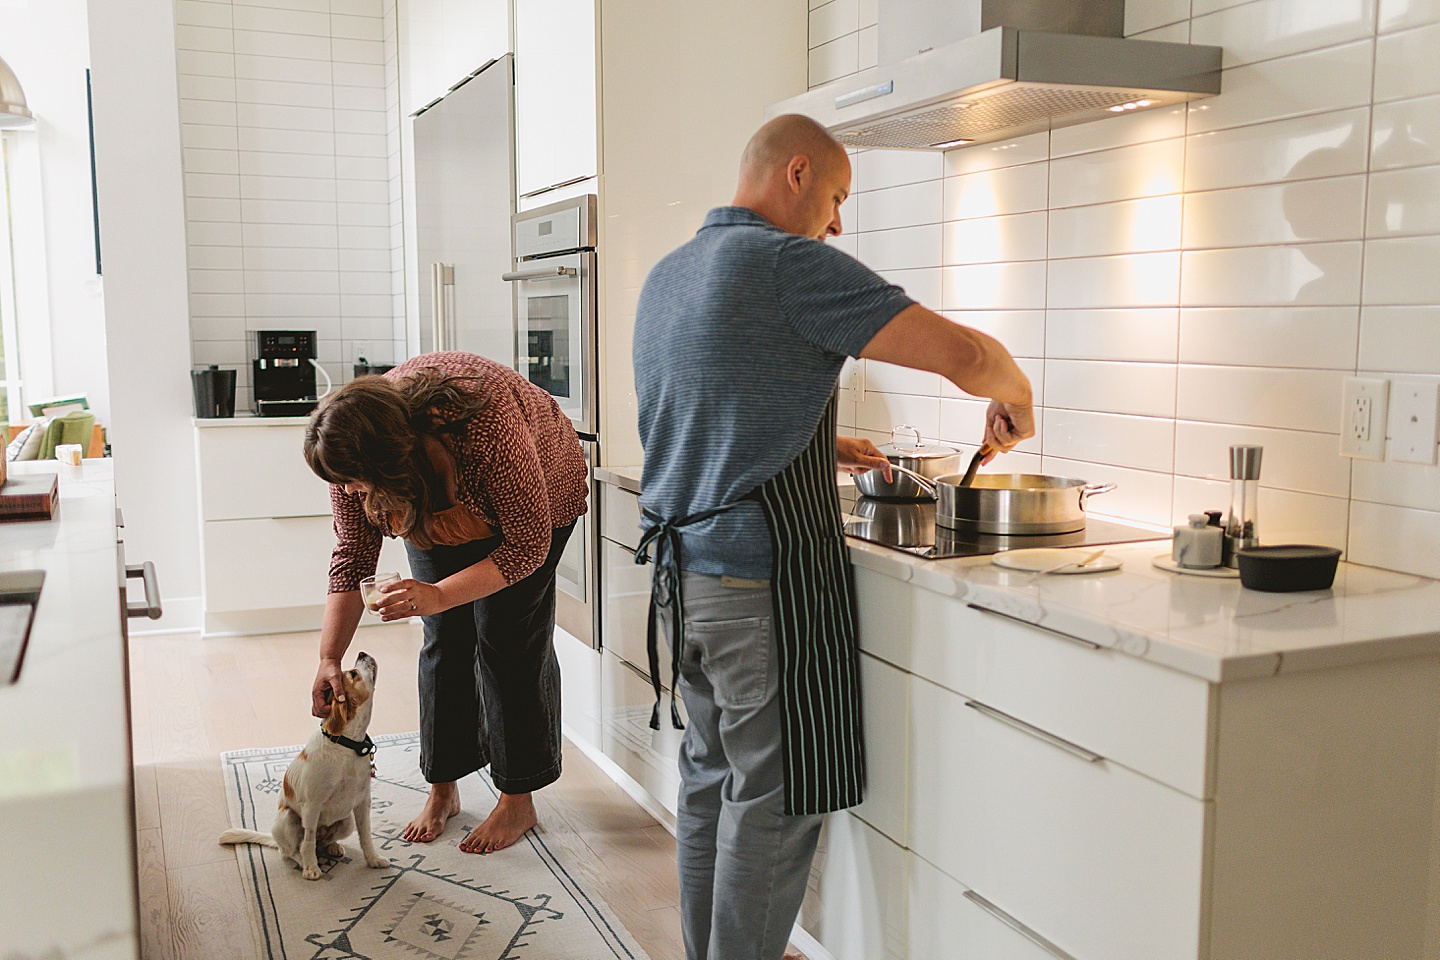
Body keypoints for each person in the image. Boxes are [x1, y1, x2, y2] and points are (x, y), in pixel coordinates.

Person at [632, 114, 1035, 960]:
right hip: (750, 582)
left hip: (682, 579)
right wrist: (1018, 388)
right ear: (799, 173)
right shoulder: (786, 264)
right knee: (774, 799)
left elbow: (711, 411)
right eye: (839, 198)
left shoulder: (671, 273)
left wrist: (821, 440)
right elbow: (963, 355)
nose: (839, 224)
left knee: (711, 782)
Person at [303, 351, 588, 854]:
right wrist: (329, 657)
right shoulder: (350, 458)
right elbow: (352, 556)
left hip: (536, 498)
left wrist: (437, 593)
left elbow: (526, 545)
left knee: (507, 639)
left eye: (353, 481)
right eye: (341, 483)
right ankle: (443, 787)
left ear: (387, 463)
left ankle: (517, 799)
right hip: (426, 499)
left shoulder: (487, 426)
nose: (348, 491)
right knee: (443, 637)